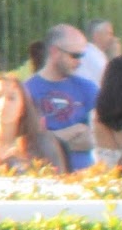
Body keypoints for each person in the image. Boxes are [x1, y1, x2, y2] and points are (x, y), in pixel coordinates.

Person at [25, 25, 98, 171]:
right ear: (55, 52)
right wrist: (72, 132)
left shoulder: (88, 89)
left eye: (81, 56)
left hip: (84, 174)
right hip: (45, 173)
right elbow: (29, 143)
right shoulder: (26, 90)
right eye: (74, 56)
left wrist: (50, 138)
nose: (79, 62)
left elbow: (96, 138)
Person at [76, 19, 120, 87]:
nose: (112, 38)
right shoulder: (93, 56)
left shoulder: (91, 53)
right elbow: (115, 81)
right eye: (109, 34)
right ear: (97, 35)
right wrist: (116, 57)